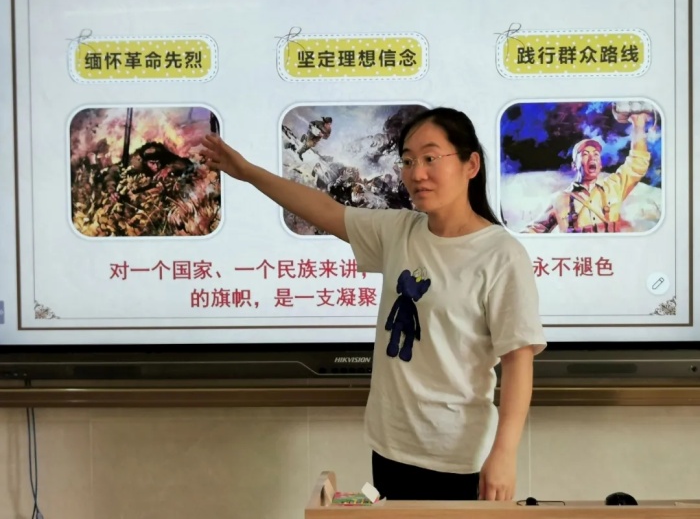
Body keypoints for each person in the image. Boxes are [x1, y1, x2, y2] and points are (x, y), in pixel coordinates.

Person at [202, 107, 547, 502]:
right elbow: (325, 210)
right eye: (408, 161)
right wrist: (247, 172)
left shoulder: (500, 254)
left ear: (471, 165)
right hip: (391, 446)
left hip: (460, 455)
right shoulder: (400, 231)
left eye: (430, 158)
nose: (417, 173)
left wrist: (504, 453)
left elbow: (518, 360)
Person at [522, 110, 653, 233]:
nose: (592, 157)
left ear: (600, 165)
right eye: (585, 154)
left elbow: (637, 162)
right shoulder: (560, 200)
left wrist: (638, 125)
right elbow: (535, 230)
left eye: (596, 154)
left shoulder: (613, 187)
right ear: (574, 165)